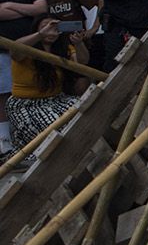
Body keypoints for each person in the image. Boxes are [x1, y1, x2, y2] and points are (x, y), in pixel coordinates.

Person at [4, 16, 86, 156]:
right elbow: (15, 51)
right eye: (46, 27)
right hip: (25, 105)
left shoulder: (62, 47)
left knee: (84, 113)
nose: (50, 32)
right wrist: (41, 34)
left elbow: (82, 63)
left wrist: (79, 44)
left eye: (54, 28)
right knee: (55, 128)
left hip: (56, 100)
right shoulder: (27, 47)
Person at [0, 0, 47, 156]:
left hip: (30, 48)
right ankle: (4, 140)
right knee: (4, 94)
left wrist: (10, 7)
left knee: (28, 93)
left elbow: (41, 8)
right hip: (2, 50)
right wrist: (26, 11)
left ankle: (27, 137)